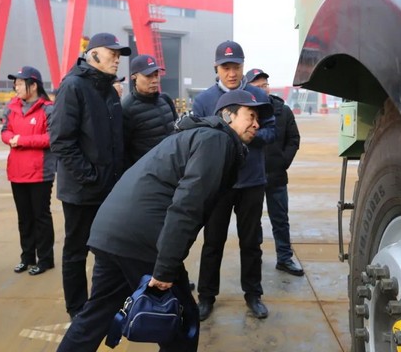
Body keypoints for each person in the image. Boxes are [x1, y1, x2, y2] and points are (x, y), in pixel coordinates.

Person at [56, 89, 273, 352]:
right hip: (141, 239)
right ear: (228, 115)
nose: (257, 124)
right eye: (251, 116)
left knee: (95, 316)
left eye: (259, 119)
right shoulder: (217, 140)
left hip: (111, 233)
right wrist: (165, 268)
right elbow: (188, 205)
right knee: (183, 325)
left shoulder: (198, 135)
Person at [192, 41, 276, 321]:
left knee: (251, 242)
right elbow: (196, 139)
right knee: (212, 241)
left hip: (252, 181)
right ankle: (206, 296)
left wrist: (249, 135)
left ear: (242, 66)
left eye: (236, 67)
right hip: (219, 183)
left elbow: (271, 132)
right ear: (216, 68)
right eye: (225, 67)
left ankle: (253, 294)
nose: (231, 73)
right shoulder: (204, 101)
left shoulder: (257, 96)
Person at [49, 32, 130, 319]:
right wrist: (91, 176)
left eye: (119, 55)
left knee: (109, 251)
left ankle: (103, 303)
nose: (117, 59)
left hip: (109, 187)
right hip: (82, 190)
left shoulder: (108, 89)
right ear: (93, 54)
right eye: (112, 53)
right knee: (76, 251)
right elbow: (61, 141)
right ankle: (77, 308)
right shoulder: (73, 86)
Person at [246, 68, 303, 276]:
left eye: (265, 85)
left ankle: (284, 258)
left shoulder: (282, 111)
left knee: (280, 219)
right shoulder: (244, 112)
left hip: (276, 176)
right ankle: (255, 258)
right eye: (257, 86)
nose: (263, 89)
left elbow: (294, 139)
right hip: (252, 177)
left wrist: (282, 162)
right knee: (252, 222)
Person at [1, 66, 57, 276]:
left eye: (19, 83)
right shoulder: (11, 108)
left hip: (40, 173)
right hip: (17, 172)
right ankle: (27, 257)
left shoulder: (48, 109)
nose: (16, 87)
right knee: (24, 218)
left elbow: (51, 138)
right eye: (15, 84)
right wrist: (11, 139)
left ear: (33, 86)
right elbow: (5, 132)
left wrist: (21, 140)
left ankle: (45, 259)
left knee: (41, 216)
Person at [122, 54, 178, 169]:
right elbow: (123, 150)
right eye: (148, 76)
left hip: (173, 168)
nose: (154, 80)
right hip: (146, 172)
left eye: (156, 75)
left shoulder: (166, 100)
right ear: (134, 77)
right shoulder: (127, 108)